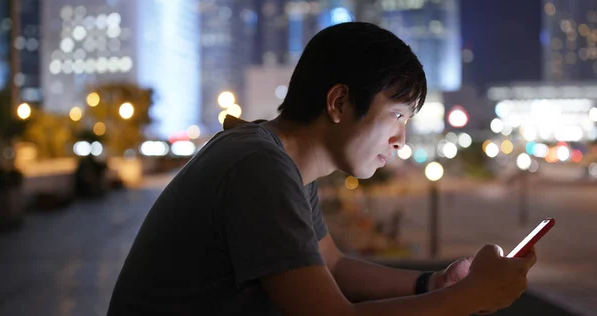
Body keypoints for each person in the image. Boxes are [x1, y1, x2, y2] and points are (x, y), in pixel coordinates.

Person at [107, 22, 536, 316]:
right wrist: (468, 298)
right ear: (338, 103)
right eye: (398, 116)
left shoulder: (281, 163)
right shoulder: (258, 167)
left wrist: (436, 283)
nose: (401, 140)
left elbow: (332, 266)